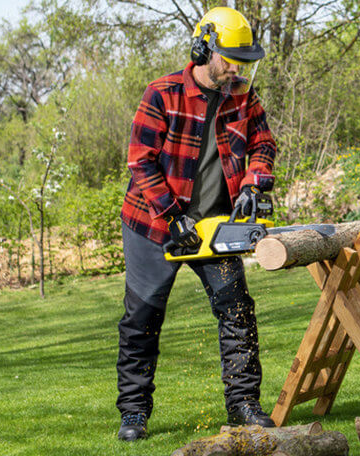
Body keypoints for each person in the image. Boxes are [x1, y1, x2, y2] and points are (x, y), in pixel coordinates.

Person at [115, 6, 277, 441]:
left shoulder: (243, 96)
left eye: (244, 61)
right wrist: (171, 215)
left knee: (237, 310)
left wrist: (252, 184)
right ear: (204, 48)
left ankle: (244, 404)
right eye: (230, 58)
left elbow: (263, 143)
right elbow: (140, 161)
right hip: (153, 224)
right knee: (143, 316)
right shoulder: (162, 94)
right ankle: (133, 412)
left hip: (213, 225)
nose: (237, 69)